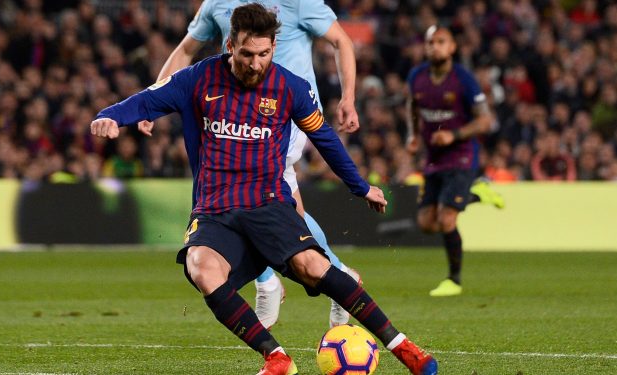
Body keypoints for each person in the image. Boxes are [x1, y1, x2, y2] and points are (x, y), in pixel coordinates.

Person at [92, 5, 437, 375]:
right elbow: (145, 99)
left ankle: (402, 347)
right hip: (215, 209)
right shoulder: (197, 80)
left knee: (313, 265)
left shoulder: (290, 87)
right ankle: (277, 359)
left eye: (263, 54)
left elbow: (325, 139)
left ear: (274, 46)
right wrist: (109, 116)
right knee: (201, 268)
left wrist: (360, 186)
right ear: (230, 45)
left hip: (268, 204)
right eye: (246, 54)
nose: (255, 64)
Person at [139, 0, 362, 329]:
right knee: (276, 203)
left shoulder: (299, 3)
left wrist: (348, 97)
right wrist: (153, 101)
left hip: (286, 115)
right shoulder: (217, 4)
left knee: (254, 192)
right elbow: (186, 51)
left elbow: (341, 40)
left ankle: (275, 279)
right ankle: (333, 274)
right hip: (236, 114)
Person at [405, 26, 495, 297]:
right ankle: (476, 194)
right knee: (426, 223)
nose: (435, 47)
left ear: (452, 47)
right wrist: (413, 136)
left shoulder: (464, 79)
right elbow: (412, 107)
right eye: (430, 42)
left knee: (446, 219)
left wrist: (454, 135)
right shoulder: (416, 76)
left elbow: (485, 120)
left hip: (462, 155)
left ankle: (454, 279)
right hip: (434, 157)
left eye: (441, 42)